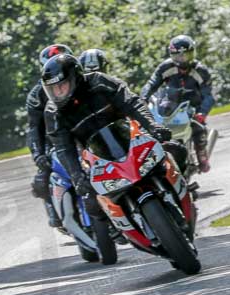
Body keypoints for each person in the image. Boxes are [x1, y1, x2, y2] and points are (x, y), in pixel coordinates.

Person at [41, 54, 175, 220]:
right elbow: (63, 147)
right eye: (53, 89)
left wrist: (152, 126)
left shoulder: (99, 82)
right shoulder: (53, 113)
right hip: (97, 158)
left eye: (62, 86)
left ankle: (184, 196)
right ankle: (114, 231)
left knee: (176, 150)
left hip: (130, 139)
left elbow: (131, 102)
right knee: (91, 205)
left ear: (75, 77)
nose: (58, 93)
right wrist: (77, 177)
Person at [140, 35, 215, 173]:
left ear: (193, 53)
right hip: (170, 104)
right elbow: (151, 84)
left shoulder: (201, 71)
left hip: (192, 106)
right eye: (179, 56)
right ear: (172, 55)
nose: (182, 59)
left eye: (186, 55)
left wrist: (202, 113)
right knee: (153, 128)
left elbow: (208, 96)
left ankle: (202, 156)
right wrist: (143, 98)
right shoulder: (165, 67)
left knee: (198, 129)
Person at [26, 43, 74, 228]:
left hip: (83, 132)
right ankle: (55, 212)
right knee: (42, 176)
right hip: (53, 139)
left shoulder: (87, 80)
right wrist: (39, 155)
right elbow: (34, 127)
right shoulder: (37, 95)